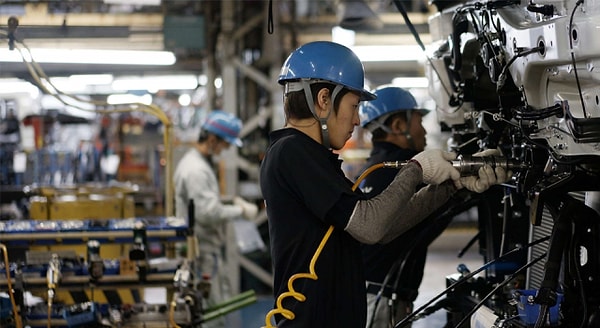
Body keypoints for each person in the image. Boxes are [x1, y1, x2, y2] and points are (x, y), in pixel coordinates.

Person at [259, 41, 509, 327]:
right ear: (324, 100)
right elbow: (371, 225)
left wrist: (452, 185)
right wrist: (416, 169)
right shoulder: (292, 152)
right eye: (354, 106)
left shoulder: (311, 158)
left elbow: (385, 227)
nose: (356, 120)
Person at [358, 85, 454, 327]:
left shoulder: (376, 169)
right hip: (381, 302)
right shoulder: (402, 173)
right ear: (399, 126)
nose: (423, 130)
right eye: (418, 121)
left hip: (374, 296)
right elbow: (431, 212)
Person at [173, 110, 258, 327]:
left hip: (205, 250)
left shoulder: (198, 163)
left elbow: (204, 201)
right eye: (225, 144)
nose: (226, 149)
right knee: (211, 315)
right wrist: (241, 211)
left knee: (213, 309)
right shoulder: (196, 170)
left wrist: (231, 201)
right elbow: (207, 213)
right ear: (212, 139)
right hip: (201, 253)